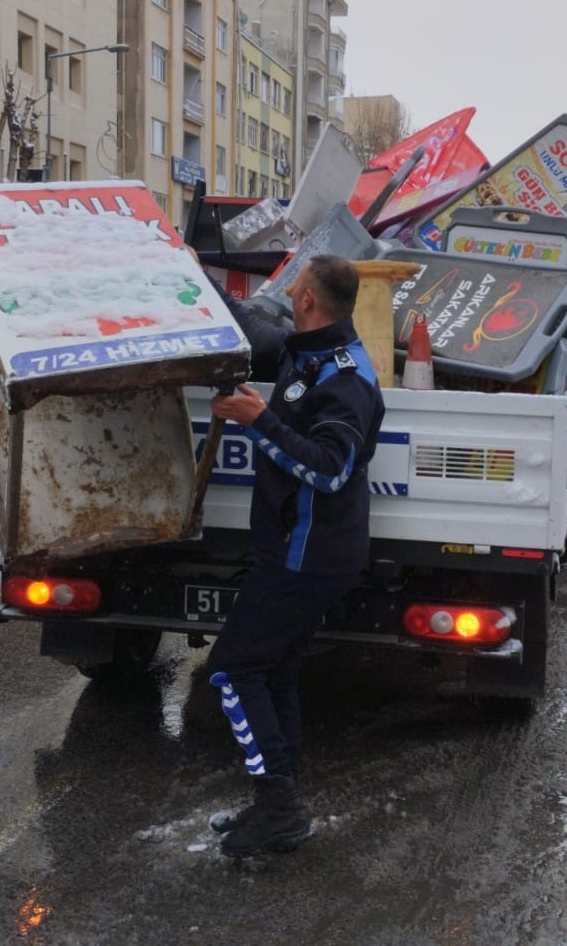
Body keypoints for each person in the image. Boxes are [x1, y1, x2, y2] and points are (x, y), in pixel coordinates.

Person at [204, 254, 384, 858]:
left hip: (310, 556)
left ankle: (278, 807)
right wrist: (193, 270)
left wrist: (258, 420)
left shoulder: (347, 378)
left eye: (293, 287)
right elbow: (249, 329)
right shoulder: (301, 354)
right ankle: (275, 804)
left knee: (231, 670)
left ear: (306, 298)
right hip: (290, 547)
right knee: (273, 668)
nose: (286, 294)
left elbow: (331, 470)